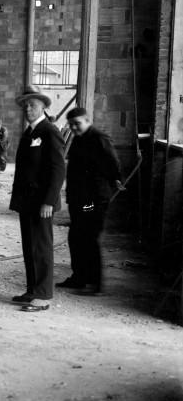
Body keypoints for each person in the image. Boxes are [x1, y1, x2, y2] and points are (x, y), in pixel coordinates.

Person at [9, 85, 66, 312]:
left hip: (41, 202)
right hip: (28, 201)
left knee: (41, 247)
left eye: (32, 104)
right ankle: (33, 289)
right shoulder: (30, 132)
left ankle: (43, 295)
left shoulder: (49, 131)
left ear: (43, 106)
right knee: (30, 247)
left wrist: (49, 202)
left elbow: (58, 170)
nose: (28, 108)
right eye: (25, 105)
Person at [57, 107, 124, 295]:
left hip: (93, 200)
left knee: (89, 238)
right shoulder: (79, 139)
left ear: (87, 120)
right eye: (71, 125)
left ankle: (96, 284)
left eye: (77, 124)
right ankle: (79, 278)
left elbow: (114, 166)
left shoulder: (99, 138)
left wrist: (105, 190)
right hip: (80, 199)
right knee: (76, 237)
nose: (74, 128)